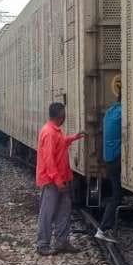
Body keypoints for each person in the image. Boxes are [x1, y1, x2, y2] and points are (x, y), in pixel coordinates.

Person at [36, 102, 87, 255]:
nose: (65, 116)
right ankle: (43, 245)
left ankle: (62, 242)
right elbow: (49, 160)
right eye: (64, 114)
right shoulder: (49, 133)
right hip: (52, 181)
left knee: (64, 211)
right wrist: (58, 181)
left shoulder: (55, 131)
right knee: (47, 212)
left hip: (62, 178)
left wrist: (74, 137)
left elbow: (61, 144)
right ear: (60, 116)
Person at [97, 86, 123, 243]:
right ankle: (103, 229)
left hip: (109, 158)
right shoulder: (122, 113)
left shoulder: (110, 111)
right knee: (116, 197)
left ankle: (107, 227)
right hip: (115, 159)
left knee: (116, 195)